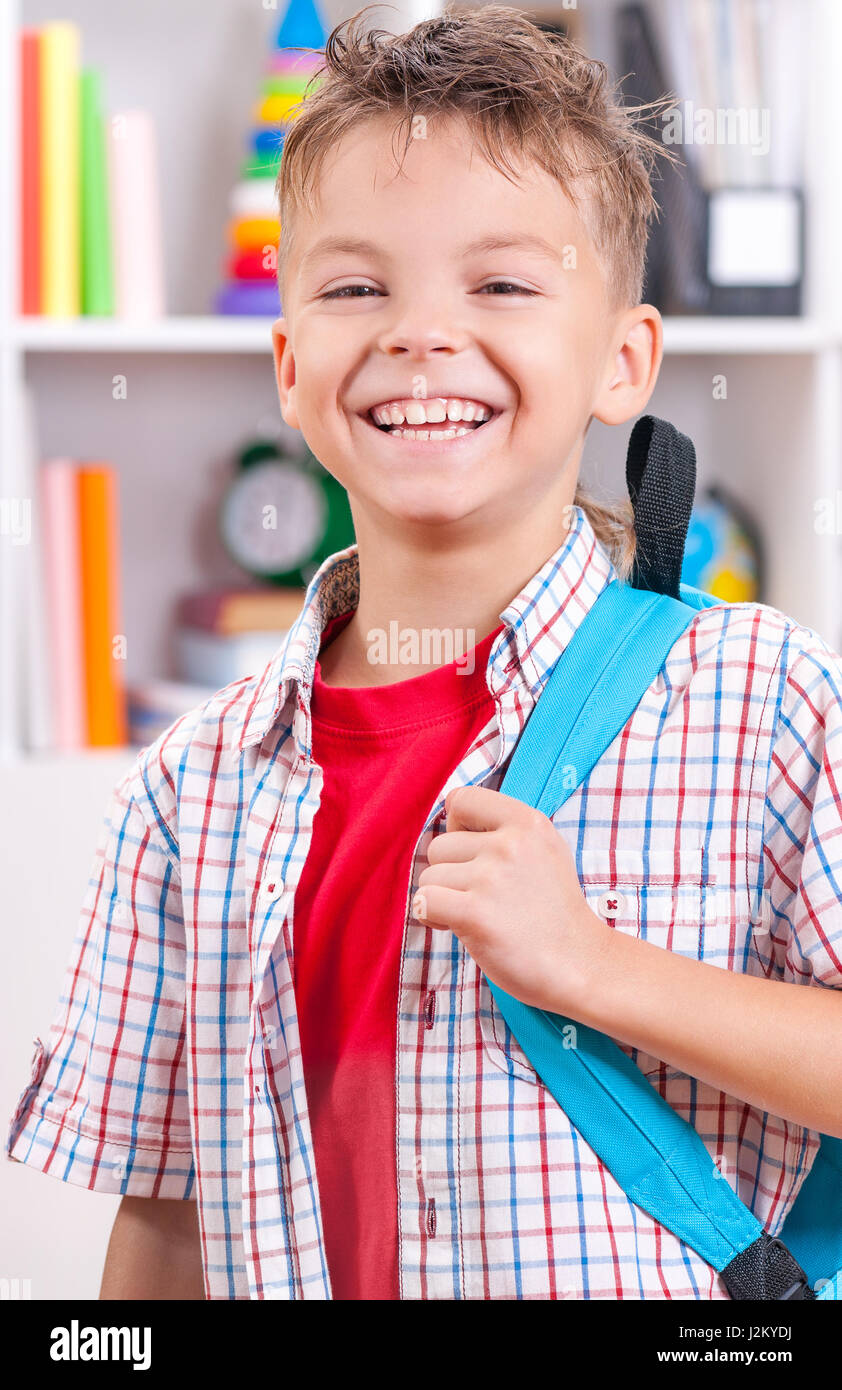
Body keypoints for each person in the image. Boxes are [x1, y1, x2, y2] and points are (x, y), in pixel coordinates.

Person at [7, 4, 842, 1301]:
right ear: (290, 366)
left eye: (500, 282)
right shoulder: (187, 799)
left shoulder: (762, 701)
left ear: (622, 360)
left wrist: (595, 968)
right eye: (355, 287)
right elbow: (164, 1230)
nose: (418, 332)